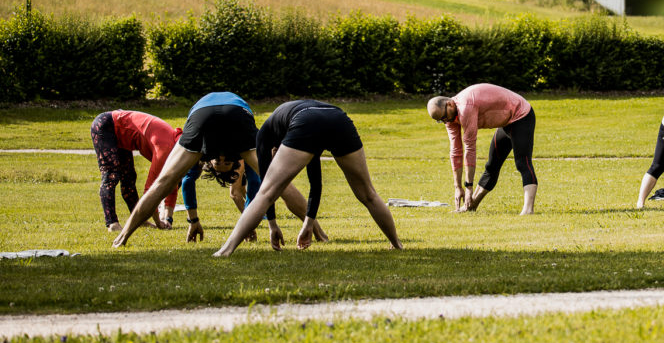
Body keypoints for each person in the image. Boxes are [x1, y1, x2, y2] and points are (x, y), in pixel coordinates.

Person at [112, 92, 320, 249]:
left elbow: (183, 183)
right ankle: (317, 231)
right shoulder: (241, 155)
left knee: (162, 183)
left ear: (207, 162)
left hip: (203, 115)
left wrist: (194, 221)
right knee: (279, 181)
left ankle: (123, 236)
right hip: (237, 115)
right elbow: (266, 186)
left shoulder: (199, 158)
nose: (220, 158)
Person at [213, 100, 401, 256]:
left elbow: (267, 190)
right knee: (368, 193)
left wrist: (273, 226)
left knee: (266, 193)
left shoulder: (265, 135)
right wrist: (307, 224)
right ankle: (397, 244)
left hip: (308, 120)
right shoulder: (288, 128)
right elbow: (315, 181)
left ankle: (225, 250)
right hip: (339, 119)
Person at [427, 84, 538, 215]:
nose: (446, 122)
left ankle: (528, 209)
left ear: (450, 104)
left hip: (521, 116)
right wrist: (458, 187)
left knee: (522, 163)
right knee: (492, 166)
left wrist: (468, 187)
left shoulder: (465, 108)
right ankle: (471, 206)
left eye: (445, 117)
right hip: (506, 122)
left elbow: (469, 147)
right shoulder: (449, 117)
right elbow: (456, 151)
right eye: (441, 121)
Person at [90, 110, 180, 232]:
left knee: (129, 178)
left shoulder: (176, 148)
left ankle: (140, 220)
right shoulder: (165, 149)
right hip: (107, 125)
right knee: (111, 175)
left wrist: (168, 218)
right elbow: (151, 190)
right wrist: (159, 222)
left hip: (121, 135)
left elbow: (173, 182)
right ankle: (112, 223)